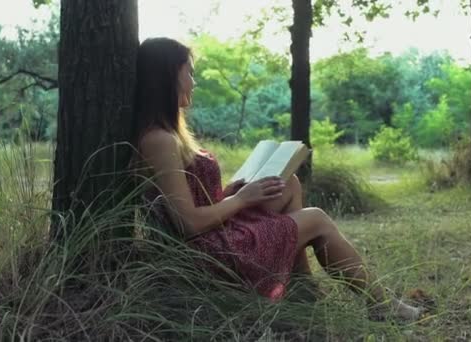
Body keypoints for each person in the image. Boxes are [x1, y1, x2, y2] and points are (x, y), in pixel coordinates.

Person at [133, 37, 422, 321]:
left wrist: (235, 191)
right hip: (209, 252)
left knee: (287, 185)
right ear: (169, 74)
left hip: (215, 233)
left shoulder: (171, 135)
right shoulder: (160, 140)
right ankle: (380, 303)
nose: (194, 82)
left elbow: (193, 196)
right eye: (190, 73)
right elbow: (188, 224)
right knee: (317, 219)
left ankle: (302, 289)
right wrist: (240, 199)